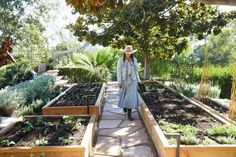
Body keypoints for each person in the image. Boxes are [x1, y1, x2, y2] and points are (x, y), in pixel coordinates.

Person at [117, 45, 140, 121]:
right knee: (124, 94)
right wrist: (119, 82)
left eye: (129, 52)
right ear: (124, 52)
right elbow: (118, 71)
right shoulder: (121, 60)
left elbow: (136, 70)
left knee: (130, 97)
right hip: (124, 80)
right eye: (127, 52)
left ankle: (129, 114)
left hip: (132, 80)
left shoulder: (134, 60)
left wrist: (138, 80)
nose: (128, 53)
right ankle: (124, 106)